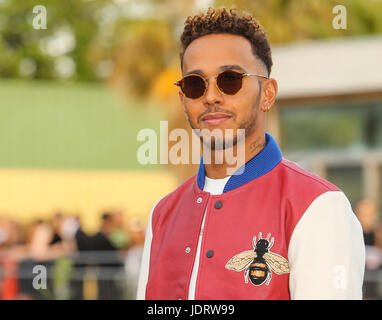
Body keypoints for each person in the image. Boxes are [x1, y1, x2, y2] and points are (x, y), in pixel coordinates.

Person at [137, 7, 365, 300]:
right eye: (195, 84)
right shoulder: (162, 214)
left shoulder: (319, 207)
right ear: (184, 100)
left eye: (230, 79)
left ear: (267, 93)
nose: (211, 96)